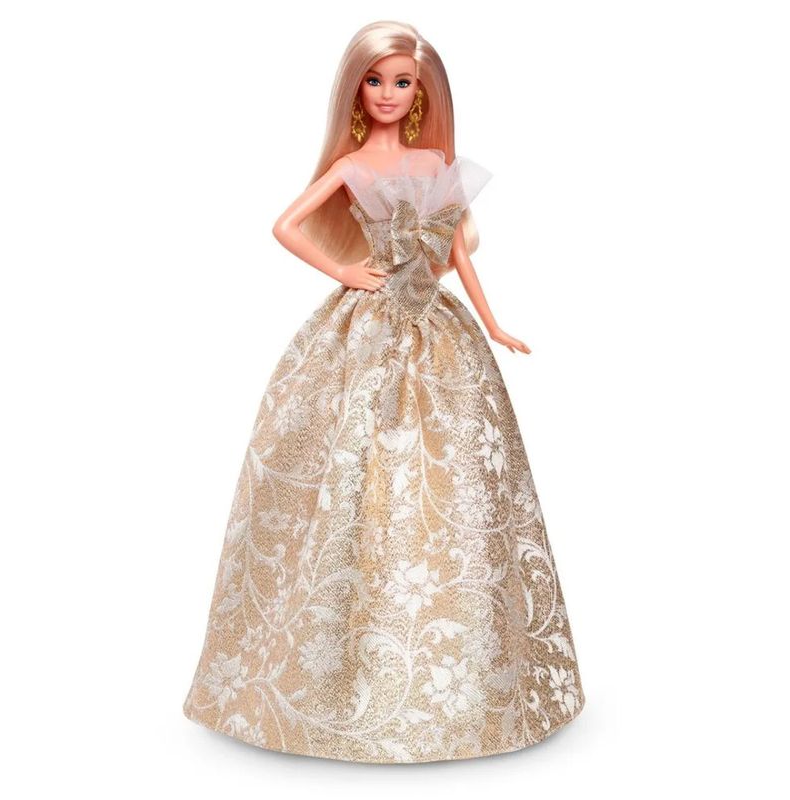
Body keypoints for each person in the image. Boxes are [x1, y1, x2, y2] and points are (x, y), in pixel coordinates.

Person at [182, 19, 585, 764]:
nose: (389, 93)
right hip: (363, 331)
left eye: (402, 81)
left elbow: (457, 251)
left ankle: (470, 665)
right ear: (356, 89)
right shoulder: (350, 165)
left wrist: (494, 323)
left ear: (422, 92)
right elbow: (285, 225)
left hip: (440, 334)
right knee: (347, 466)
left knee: (457, 475)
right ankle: (324, 664)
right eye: (376, 81)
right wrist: (344, 272)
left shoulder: (436, 163)